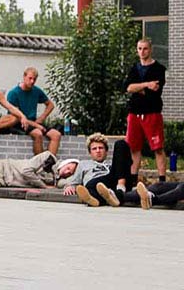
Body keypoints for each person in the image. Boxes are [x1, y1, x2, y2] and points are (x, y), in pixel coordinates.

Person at [125, 37, 167, 187]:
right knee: (134, 148)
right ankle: (132, 181)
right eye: (139, 49)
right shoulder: (134, 68)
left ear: (151, 49)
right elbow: (128, 87)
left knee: (158, 148)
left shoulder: (159, 69)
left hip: (152, 113)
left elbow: (155, 91)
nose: (142, 52)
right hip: (134, 114)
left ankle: (162, 181)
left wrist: (139, 88)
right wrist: (146, 84)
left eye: (145, 48)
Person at [60, 133, 131, 207]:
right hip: (94, 187)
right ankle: (112, 197)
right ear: (90, 153)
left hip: (113, 182)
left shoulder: (113, 164)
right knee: (90, 185)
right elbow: (74, 182)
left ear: (106, 151)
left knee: (121, 143)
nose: (98, 151)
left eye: (101, 148)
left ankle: (103, 198)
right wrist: (69, 186)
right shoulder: (83, 164)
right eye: (94, 149)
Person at [6, 67, 62, 155]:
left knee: (56, 135)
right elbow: (17, 117)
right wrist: (37, 125)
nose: (32, 81)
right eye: (30, 78)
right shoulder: (13, 93)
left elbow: (50, 105)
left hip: (34, 122)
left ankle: (49, 162)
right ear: (24, 77)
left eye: (34, 79)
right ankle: (39, 163)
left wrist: (42, 118)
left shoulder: (36, 91)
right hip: (19, 123)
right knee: (38, 134)